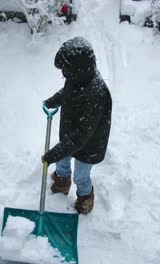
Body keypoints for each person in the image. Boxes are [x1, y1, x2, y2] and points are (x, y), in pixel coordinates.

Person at [42, 37, 112, 215]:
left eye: (66, 69)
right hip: (69, 136)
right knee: (62, 162)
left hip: (89, 146)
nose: (64, 74)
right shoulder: (77, 77)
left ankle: (85, 198)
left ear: (78, 68)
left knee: (81, 176)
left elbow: (81, 136)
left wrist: (55, 152)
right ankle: (62, 182)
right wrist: (54, 100)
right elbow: (68, 91)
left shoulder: (97, 93)